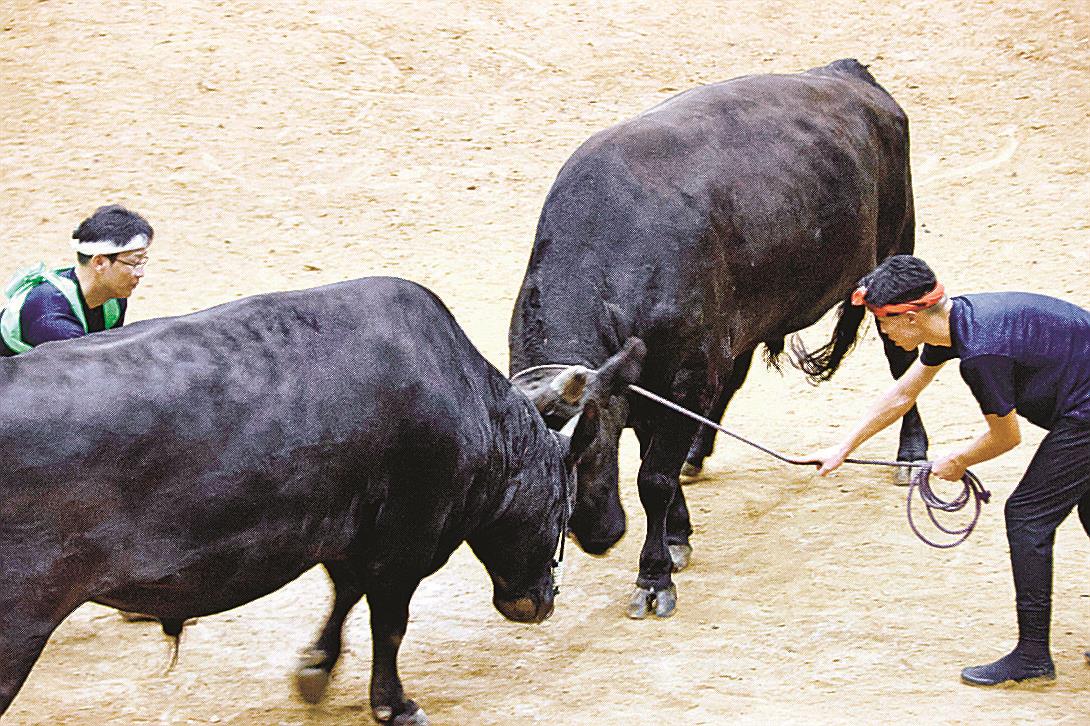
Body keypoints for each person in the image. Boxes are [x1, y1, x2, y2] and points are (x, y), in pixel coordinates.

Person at [806, 254, 1090, 688]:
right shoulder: (956, 324)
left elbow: (1005, 438)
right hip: (1080, 405)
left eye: (883, 322)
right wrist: (842, 448)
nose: (882, 332)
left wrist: (957, 462)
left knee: (1027, 516)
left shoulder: (983, 353)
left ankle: (1033, 655)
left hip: (1084, 415)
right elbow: (904, 394)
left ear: (911, 316)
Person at [1, 204, 152, 356]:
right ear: (99, 263)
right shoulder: (51, 319)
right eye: (134, 263)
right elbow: (92, 369)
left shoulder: (113, 299)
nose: (140, 273)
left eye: (141, 262)